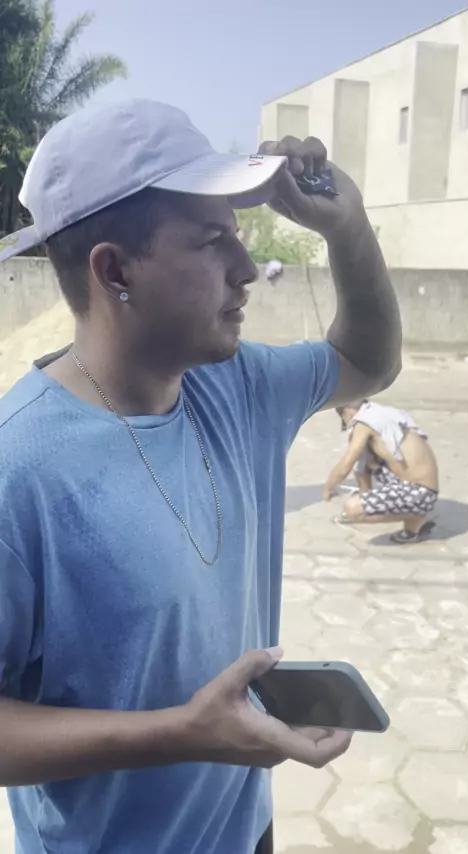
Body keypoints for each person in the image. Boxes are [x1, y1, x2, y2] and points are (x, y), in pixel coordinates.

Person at [0, 98, 401, 854]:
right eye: (214, 242)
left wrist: (347, 229)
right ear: (115, 270)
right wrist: (182, 733)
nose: (247, 271)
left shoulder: (236, 384)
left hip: (246, 830)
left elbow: (368, 361)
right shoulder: (18, 470)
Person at [323, 400, 439, 543]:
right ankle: (412, 531)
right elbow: (361, 466)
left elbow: (347, 464)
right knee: (369, 459)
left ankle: (417, 515)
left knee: (352, 508)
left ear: (348, 413)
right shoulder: (382, 413)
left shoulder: (363, 423)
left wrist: (329, 487)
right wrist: (366, 496)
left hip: (419, 493)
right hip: (424, 490)